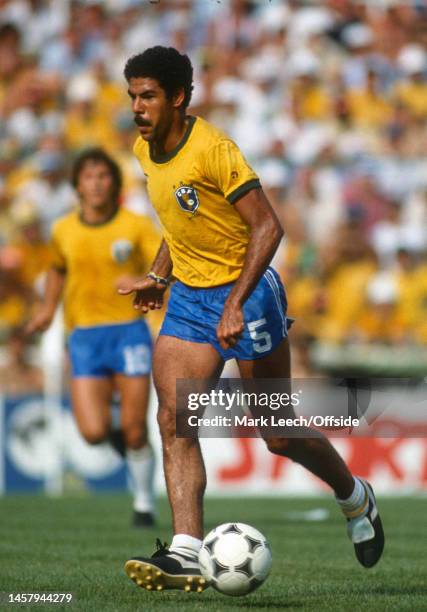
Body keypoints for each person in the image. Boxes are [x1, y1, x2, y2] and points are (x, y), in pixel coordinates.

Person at [120, 46, 384, 591]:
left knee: (278, 434)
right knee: (174, 418)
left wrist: (236, 303)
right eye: (132, 97)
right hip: (190, 301)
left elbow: (269, 227)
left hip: (249, 294)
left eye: (147, 97)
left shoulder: (213, 148)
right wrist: (160, 275)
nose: (137, 108)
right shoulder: (144, 152)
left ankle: (355, 497)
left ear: (178, 97)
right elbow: (180, 222)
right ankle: (187, 549)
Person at [27, 148, 159, 527]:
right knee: (92, 431)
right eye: (89, 176)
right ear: (77, 186)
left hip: (129, 333)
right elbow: (56, 268)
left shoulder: (135, 225)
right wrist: (48, 310)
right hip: (84, 336)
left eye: (104, 176)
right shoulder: (63, 229)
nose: (97, 182)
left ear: (114, 184)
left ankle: (144, 504)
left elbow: (160, 267)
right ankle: (130, 448)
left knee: (136, 429)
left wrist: (141, 282)